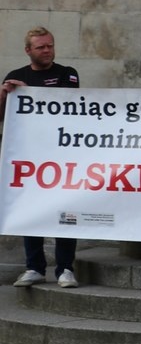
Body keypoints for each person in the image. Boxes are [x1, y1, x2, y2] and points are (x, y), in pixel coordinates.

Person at [2, 27, 81, 288]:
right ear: (28, 51)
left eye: (50, 45)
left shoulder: (67, 74)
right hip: (29, 156)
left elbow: (66, 103)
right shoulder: (16, 76)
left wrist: (29, 93)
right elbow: (3, 115)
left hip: (63, 155)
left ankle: (65, 268)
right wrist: (4, 94)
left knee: (66, 211)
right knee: (30, 210)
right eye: (41, 47)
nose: (47, 50)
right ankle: (34, 267)